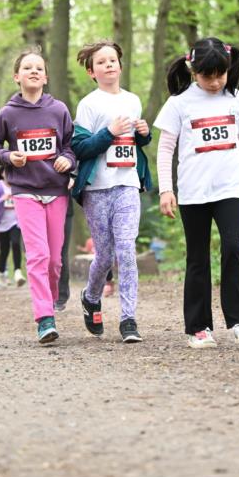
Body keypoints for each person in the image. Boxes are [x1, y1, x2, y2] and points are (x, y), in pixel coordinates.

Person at [154, 36, 239, 349]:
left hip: (230, 188)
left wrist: (238, 176)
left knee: (234, 248)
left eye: (221, 74)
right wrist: (165, 189)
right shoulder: (179, 103)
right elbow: (165, 149)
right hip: (193, 192)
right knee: (198, 258)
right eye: (208, 75)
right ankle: (199, 328)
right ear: (192, 70)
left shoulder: (238, 99)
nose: (215, 82)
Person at [0, 47, 75, 344]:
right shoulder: (8, 113)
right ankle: (44, 318)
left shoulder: (58, 110)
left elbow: (72, 147)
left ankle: (50, 300)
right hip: (24, 192)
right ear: (17, 77)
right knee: (38, 255)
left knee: (55, 262)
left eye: (39, 68)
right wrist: (9, 157)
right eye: (28, 68)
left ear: (45, 77)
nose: (34, 71)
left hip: (56, 190)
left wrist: (68, 161)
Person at [72, 40, 152, 344]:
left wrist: (144, 136)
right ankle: (91, 296)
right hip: (97, 188)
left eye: (112, 60)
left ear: (120, 64)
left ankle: (128, 319)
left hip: (128, 183)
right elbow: (80, 148)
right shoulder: (89, 104)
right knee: (104, 255)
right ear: (92, 72)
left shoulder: (133, 100)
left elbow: (134, 143)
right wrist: (109, 133)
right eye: (101, 62)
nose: (108, 65)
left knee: (126, 251)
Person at [0, 167, 25, 288]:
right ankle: (1, 272)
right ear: (2, 174)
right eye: (7, 172)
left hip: (15, 222)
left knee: (16, 243)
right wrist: (2, 199)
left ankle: (18, 272)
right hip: (1, 223)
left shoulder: (18, 185)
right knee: (4, 250)